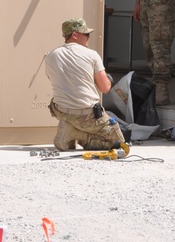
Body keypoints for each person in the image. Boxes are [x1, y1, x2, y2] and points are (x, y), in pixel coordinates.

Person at [44, 18, 125, 151]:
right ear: (75, 35)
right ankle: (77, 134)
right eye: (86, 34)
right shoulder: (91, 55)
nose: (89, 37)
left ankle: (69, 131)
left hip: (60, 111)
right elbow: (105, 88)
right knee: (118, 142)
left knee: (64, 105)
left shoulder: (51, 55)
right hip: (87, 115)